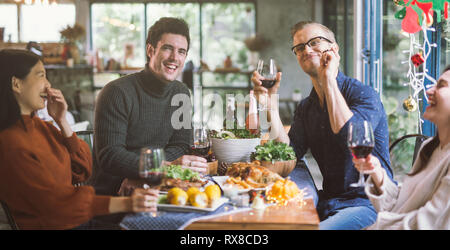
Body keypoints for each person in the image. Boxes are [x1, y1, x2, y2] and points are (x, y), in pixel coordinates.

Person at [251, 21, 394, 230]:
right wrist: (271, 105)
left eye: (315, 42)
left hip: (368, 204)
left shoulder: (363, 95)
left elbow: (349, 137)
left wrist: (329, 79)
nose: (306, 50)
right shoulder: (306, 107)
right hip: (329, 202)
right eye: (299, 48)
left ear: (334, 49)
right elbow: (288, 154)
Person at [0, 49, 158, 230]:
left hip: (79, 221)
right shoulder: (9, 144)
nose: (48, 84)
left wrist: (62, 121)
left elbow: (83, 169)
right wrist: (127, 203)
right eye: (41, 76)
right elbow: (55, 206)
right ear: (16, 84)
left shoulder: (42, 127)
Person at [92, 17, 207, 196]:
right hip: (116, 192)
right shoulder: (116, 92)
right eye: (167, 48)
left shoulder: (181, 93)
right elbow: (111, 156)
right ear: (150, 50)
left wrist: (154, 173)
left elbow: (181, 144)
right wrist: (166, 167)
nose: (174, 58)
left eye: (182, 51)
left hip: (160, 185)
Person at [353, 65, 450, 230]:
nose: (429, 91)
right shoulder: (430, 147)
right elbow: (400, 205)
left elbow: (426, 225)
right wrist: (378, 173)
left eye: (441, 85)